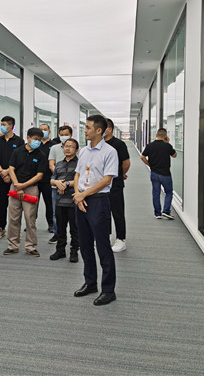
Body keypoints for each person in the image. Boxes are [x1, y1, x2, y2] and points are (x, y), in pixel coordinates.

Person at [72, 115, 118, 306]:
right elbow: (77, 174)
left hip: (98, 201)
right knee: (84, 245)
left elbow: (106, 180)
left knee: (102, 246)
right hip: (81, 200)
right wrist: (78, 195)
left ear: (99, 130)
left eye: (88, 128)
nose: (85, 131)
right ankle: (90, 282)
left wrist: (83, 195)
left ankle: (108, 290)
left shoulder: (110, 152)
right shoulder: (83, 151)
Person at [3, 127, 48, 257]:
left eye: (39, 140)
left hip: (31, 188)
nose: (37, 142)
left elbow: (39, 175)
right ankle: (12, 245)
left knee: (30, 218)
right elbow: (11, 169)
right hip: (15, 187)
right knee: (13, 217)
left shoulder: (41, 155)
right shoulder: (17, 151)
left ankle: (30, 246)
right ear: (28, 138)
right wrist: (18, 186)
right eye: (35, 139)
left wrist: (23, 186)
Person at [0, 116, 25, 239]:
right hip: (0, 178)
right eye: (1, 124)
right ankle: (1, 228)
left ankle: (16, 230)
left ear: (11, 126)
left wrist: (8, 172)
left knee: (15, 207)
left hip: (14, 179)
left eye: (4, 124)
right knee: (2, 205)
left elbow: (20, 160)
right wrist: (2, 172)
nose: (2, 127)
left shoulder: (19, 141)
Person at [50, 138, 79, 262]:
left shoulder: (80, 164)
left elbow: (80, 180)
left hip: (74, 201)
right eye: (66, 146)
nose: (67, 148)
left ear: (76, 150)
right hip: (60, 200)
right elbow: (52, 180)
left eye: (71, 146)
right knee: (60, 229)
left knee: (74, 229)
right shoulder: (58, 164)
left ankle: (74, 251)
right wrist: (57, 183)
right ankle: (60, 250)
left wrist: (66, 184)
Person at [104, 119, 131, 252]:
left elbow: (126, 163)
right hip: (100, 185)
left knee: (117, 212)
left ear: (109, 129)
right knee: (104, 212)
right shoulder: (99, 144)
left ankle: (121, 239)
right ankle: (106, 235)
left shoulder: (119, 144)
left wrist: (120, 174)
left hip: (115, 184)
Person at [140, 128, 177, 220]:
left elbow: (142, 156)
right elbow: (174, 155)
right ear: (165, 136)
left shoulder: (150, 146)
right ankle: (166, 211)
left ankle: (157, 213)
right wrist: (168, 143)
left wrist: (149, 164)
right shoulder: (167, 146)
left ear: (156, 135)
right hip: (165, 174)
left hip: (154, 173)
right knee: (169, 192)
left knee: (156, 193)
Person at [48, 125, 73, 244]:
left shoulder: (76, 148)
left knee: (73, 213)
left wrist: (65, 182)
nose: (64, 137)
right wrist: (59, 181)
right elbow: (51, 165)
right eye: (61, 135)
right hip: (56, 183)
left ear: (71, 135)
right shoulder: (54, 148)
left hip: (72, 185)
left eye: (66, 134)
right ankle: (57, 234)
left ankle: (75, 238)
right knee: (56, 212)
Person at [38, 123, 55, 234]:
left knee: (49, 204)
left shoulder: (53, 145)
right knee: (33, 203)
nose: (43, 131)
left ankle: (51, 224)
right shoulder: (35, 145)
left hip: (48, 179)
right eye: (41, 129)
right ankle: (31, 222)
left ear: (49, 131)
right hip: (35, 179)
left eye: (45, 129)